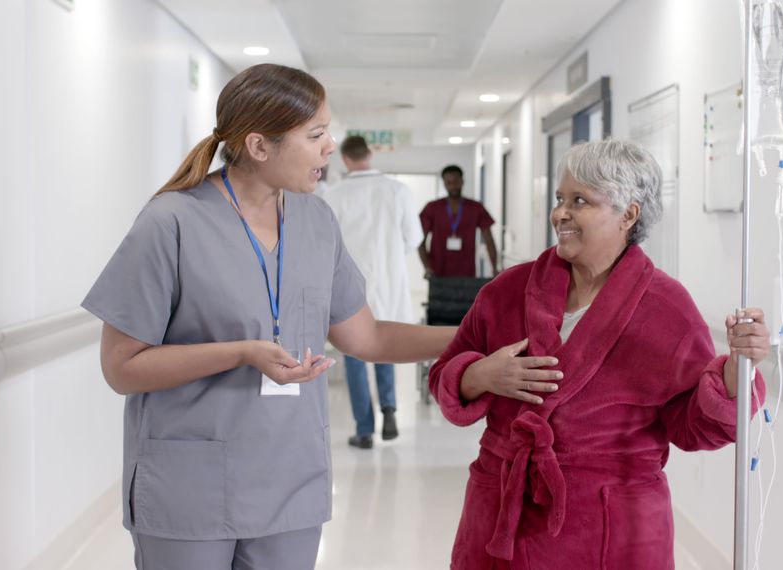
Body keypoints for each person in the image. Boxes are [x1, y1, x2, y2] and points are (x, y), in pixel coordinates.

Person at [82, 63, 454, 570]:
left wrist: (473, 334)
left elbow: (364, 336)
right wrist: (243, 352)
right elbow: (121, 367)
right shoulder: (170, 222)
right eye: (316, 133)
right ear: (260, 146)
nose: (330, 146)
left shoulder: (317, 220)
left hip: (291, 482)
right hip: (191, 489)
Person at [428, 139, 770, 569]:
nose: (560, 214)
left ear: (629, 213)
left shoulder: (666, 308)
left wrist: (738, 371)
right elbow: (442, 376)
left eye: (580, 201)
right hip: (500, 515)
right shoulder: (506, 292)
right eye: (559, 199)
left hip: (610, 525)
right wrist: (481, 375)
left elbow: (693, 426)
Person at [323, 135, 423, 449]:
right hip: (390, 282)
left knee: (354, 354)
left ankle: (364, 430)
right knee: (385, 346)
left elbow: (327, 245)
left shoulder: (334, 195)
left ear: (346, 159)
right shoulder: (398, 191)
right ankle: (389, 409)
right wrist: (390, 255)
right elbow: (413, 239)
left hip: (349, 286)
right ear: (369, 154)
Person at [418, 165, 499, 278]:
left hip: (467, 272)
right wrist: (427, 267)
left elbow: (489, 240)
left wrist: (495, 268)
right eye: (449, 182)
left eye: (456, 181)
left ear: (462, 181)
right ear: (444, 184)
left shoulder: (475, 208)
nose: (453, 186)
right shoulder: (432, 208)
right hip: (437, 272)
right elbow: (420, 241)